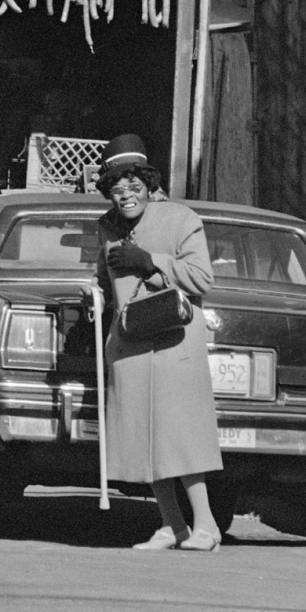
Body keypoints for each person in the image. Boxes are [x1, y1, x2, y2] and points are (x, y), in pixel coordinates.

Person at [93, 134, 224, 552]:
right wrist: (93, 291)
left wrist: (152, 263)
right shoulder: (107, 227)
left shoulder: (181, 219)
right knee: (146, 440)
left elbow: (202, 278)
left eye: (134, 186)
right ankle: (172, 526)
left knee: (182, 438)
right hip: (130, 343)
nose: (126, 194)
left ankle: (206, 525)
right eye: (117, 187)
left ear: (149, 184)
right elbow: (104, 277)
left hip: (173, 344)